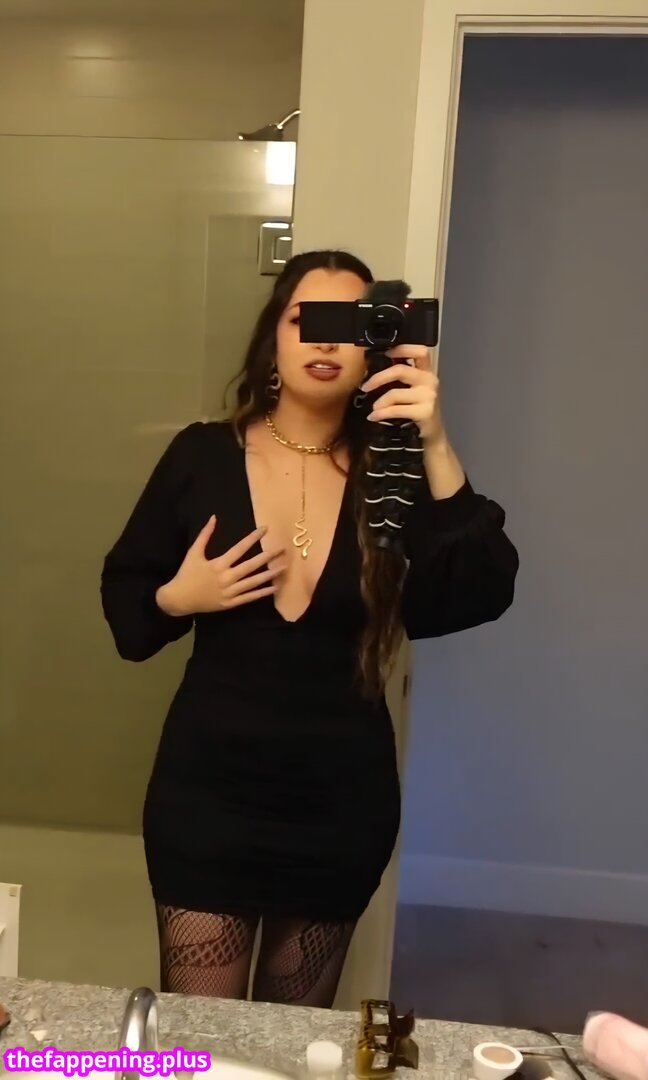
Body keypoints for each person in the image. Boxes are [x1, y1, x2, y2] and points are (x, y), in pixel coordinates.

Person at [100, 249, 519, 1008]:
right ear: (274, 337)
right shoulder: (201, 456)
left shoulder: (392, 475)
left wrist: (432, 438)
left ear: (377, 348)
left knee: (295, 1045)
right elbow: (128, 620)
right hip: (208, 800)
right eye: (307, 320)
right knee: (202, 1038)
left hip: (339, 808)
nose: (326, 341)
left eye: (351, 325)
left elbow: (482, 591)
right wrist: (179, 598)